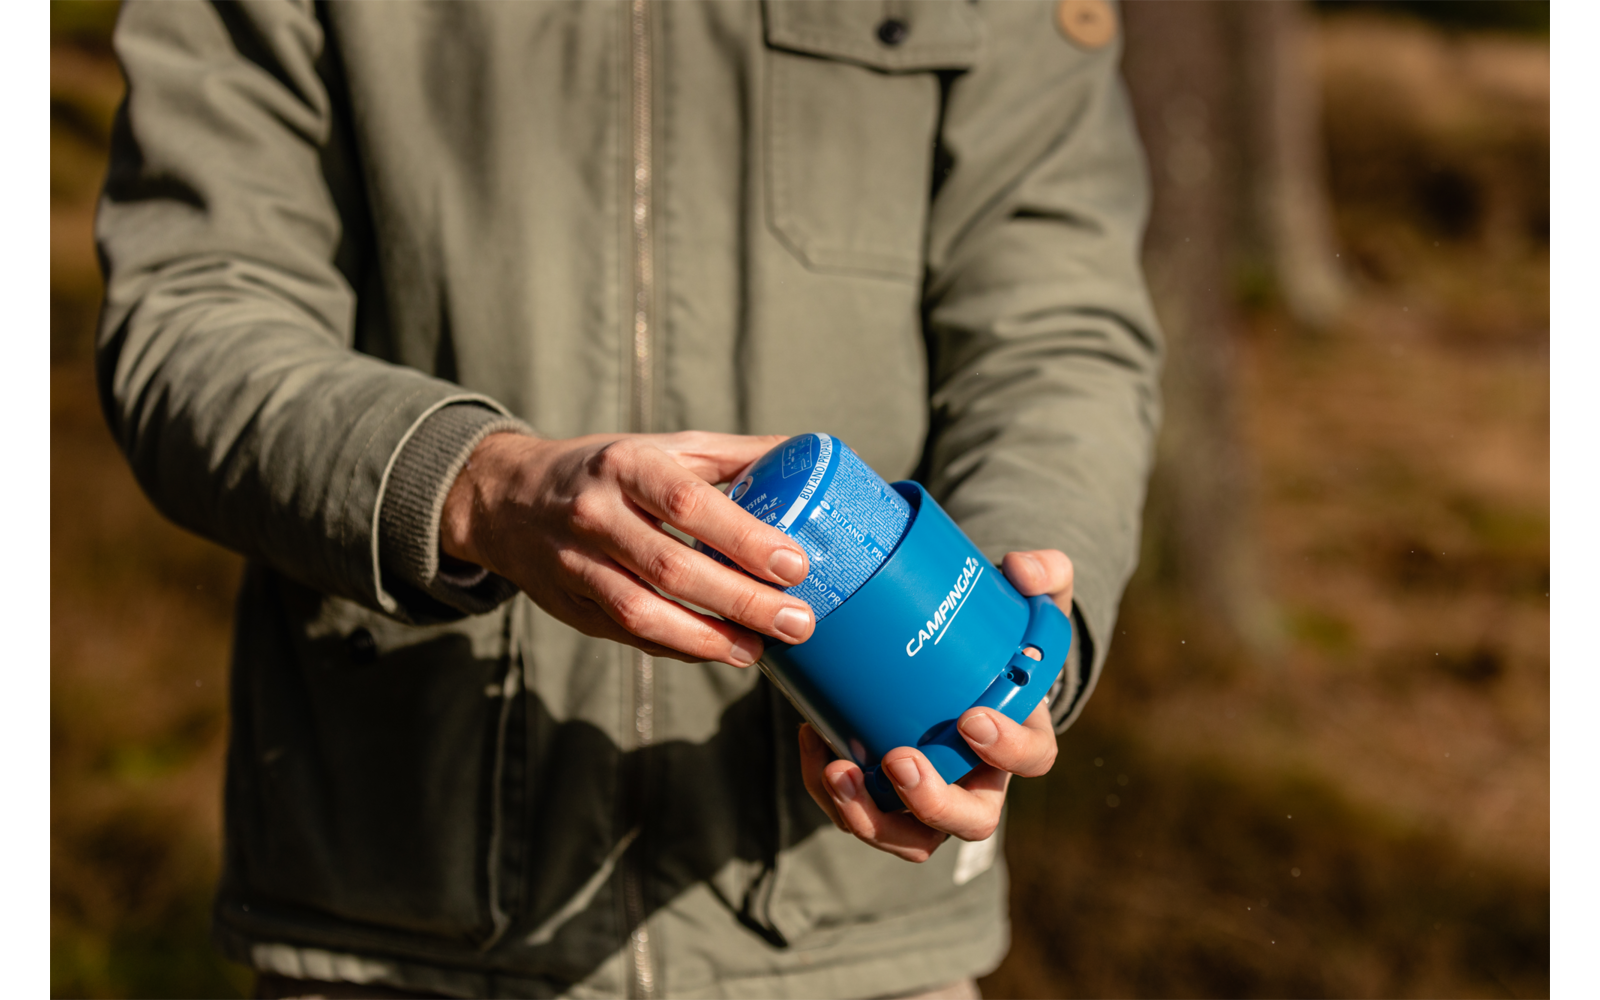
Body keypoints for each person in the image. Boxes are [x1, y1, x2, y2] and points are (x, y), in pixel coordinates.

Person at [95, 1, 1162, 997]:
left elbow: (1053, 333)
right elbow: (192, 314)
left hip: (851, 943)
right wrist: (474, 485)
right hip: (397, 918)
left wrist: (1010, 653)